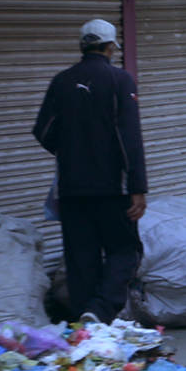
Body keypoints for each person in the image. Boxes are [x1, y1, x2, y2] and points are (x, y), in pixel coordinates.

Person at [32, 18, 147, 323]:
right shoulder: (120, 81)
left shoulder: (61, 81)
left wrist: (71, 151)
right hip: (113, 188)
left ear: (83, 46)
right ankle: (100, 310)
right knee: (125, 250)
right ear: (110, 47)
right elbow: (129, 138)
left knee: (81, 260)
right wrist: (137, 186)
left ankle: (83, 324)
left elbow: (43, 131)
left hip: (72, 189)